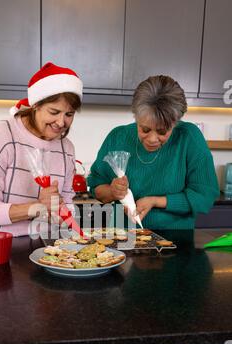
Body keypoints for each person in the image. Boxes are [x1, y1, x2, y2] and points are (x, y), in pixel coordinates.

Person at [0, 62, 83, 236]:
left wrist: (61, 213)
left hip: (41, 244)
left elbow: (67, 208)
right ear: (35, 106)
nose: (61, 122)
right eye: (54, 112)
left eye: (69, 115)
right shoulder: (2, 135)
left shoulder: (67, 149)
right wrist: (38, 208)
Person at [87, 75, 219, 230]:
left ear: (175, 122)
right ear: (136, 117)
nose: (152, 139)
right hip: (122, 238)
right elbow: (96, 186)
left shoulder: (189, 138)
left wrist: (156, 201)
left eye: (162, 131)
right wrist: (112, 191)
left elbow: (204, 196)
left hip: (174, 241)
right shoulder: (118, 137)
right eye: (145, 129)